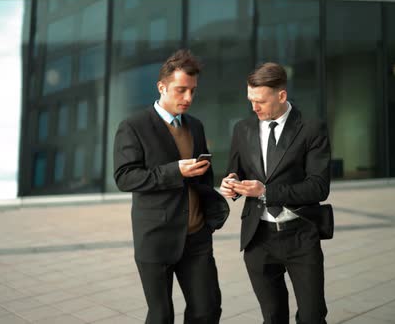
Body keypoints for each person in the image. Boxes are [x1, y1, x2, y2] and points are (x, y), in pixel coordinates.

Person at [114, 49, 229, 324]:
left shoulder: (196, 126)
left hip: (197, 236)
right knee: (161, 316)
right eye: (181, 90)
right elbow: (125, 177)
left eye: (192, 91)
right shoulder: (133, 126)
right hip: (156, 238)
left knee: (207, 311)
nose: (188, 98)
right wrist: (173, 171)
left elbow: (203, 177)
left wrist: (217, 193)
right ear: (162, 87)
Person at [219, 62, 331, 324]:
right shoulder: (242, 129)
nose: (254, 107)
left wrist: (267, 191)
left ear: (281, 96)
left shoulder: (311, 128)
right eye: (250, 100)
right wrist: (230, 184)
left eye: (260, 101)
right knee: (272, 317)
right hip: (258, 239)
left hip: (300, 236)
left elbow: (318, 187)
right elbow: (234, 171)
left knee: (313, 317)